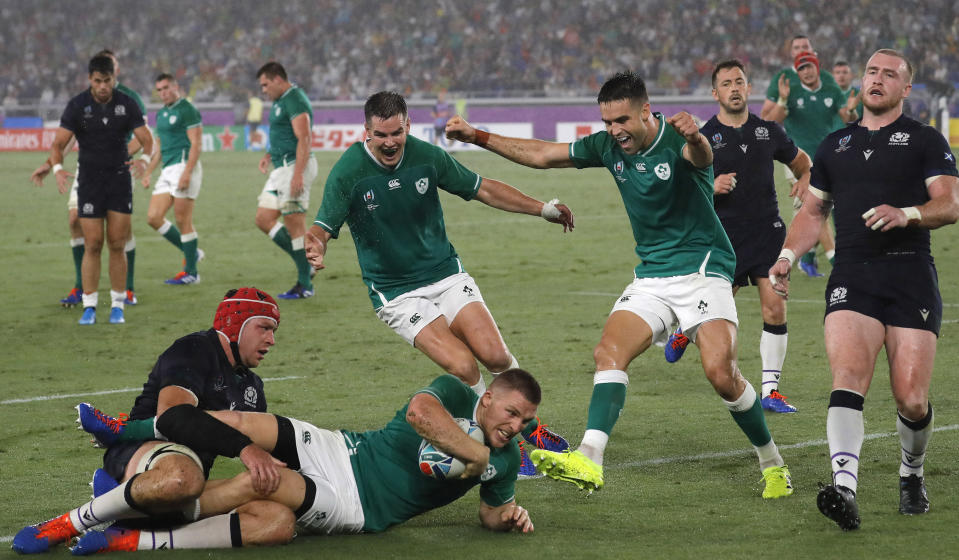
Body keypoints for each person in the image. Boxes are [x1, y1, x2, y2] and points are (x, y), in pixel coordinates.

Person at [445, 71, 793, 498]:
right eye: (608, 122)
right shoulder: (607, 146)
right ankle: (590, 457)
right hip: (652, 275)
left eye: (623, 121)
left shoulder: (678, 139)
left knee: (721, 373)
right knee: (608, 352)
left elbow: (701, 159)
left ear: (646, 111)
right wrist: (476, 135)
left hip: (703, 269)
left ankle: (772, 462)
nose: (615, 131)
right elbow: (541, 155)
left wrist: (699, 139)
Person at [304, 91, 573, 471]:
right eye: (380, 135)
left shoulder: (427, 157)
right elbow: (322, 226)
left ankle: (532, 430)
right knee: (464, 366)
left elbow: (482, 187)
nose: (389, 142)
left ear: (408, 126)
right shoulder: (349, 171)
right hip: (396, 293)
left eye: (396, 133)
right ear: (366, 132)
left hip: (445, 274)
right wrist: (314, 244)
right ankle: (501, 447)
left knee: (496, 355)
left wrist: (542, 208)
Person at [769, 49, 959, 530]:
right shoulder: (836, 145)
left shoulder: (925, 140)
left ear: (905, 89)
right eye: (871, 71)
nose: (877, 79)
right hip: (853, 273)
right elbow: (812, 213)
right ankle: (844, 489)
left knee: (911, 399)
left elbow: (950, 203)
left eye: (889, 75)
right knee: (848, 377)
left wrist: (907, 213)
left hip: (910, 271)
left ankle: (911, 473)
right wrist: (787, 258)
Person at [68, 370, 539, 553]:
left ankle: (128, 526)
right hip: (341, 448)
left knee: (265, 486)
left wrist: (508, 517)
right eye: (511, 412)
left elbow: (490, 513)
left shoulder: (509, 456)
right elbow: (420, 414)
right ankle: (125, 429)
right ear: (490, 397)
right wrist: (474, 451)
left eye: (525, 421)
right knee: (244, 421)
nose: (515, 426)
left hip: (355, 505)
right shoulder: (455, 390)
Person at [12, 288, 291, 554]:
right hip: (145, 451)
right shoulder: (195, 348)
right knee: (183, 477)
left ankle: (134, 534)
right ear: (234, 324)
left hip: (187, 490)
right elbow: (173, 415)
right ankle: (67, 523)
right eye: (264, 328)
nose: (272, 340)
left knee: (278, 521)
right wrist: (243, 447)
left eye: (274, 331)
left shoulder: (252, 387)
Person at [665, 60, 812, 414]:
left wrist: (806, 177)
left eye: (740, 82)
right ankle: (686, 327)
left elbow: (801, 162)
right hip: (724, 238)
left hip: (767, 233)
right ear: (715, 93)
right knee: (716, 309)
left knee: (774, 308)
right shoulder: (702, 137)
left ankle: (771, 391)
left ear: (749, 88)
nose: (734, 88)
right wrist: (711, 187)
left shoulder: (769, 131)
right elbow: (678, 192)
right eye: (726, 83)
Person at [31, 49, 147, 307]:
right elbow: (68, 139)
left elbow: (143, 138)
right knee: (76, 220)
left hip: (119, 169)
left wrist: (116, 158)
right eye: (99, 78)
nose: (105, 81)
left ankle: (126, 290)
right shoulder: (81, 104)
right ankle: (81, 287)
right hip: (89, 171)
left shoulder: (130, 99)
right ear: (92, 77)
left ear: (115, 71)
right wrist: (51, 165)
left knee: (121, 234)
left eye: (111, 71)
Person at [761, 38, 855, 278]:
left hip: (827, 156)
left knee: (806, 212)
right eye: (800, 64)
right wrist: (782, 100)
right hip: (797, 160)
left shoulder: (830, 85)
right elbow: (770, 119)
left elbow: (846, 116)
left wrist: (852, 111)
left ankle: (805, 257)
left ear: (815, 60)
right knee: (816, 204)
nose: (805, 69)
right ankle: (836, 260)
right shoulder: (785, 83)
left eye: (808, 62)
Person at [254, 62, 318, 300]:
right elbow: (282, 134)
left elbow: (304, 137)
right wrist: (269, 155)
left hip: (294, 166)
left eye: (265, 84)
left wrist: (298, 174)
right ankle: (305, 265)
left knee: (294, 224)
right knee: (263, 219)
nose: (263, 90)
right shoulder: (280, 101)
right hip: (280, 167)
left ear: (278, 79)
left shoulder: (295, 99)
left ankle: (305, 285)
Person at [142, 73, 204, 285]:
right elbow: (159, 149)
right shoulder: (160, 114)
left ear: (176, 87)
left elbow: (196, 144)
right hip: (167, 170)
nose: (163, 93)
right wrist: (149, 171)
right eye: (159, 89)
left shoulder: (187, 109)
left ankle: (191, 273)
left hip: (184, 166)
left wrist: (187, 172)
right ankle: (192, 252)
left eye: (166, 87)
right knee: (153, 217)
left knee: (182, 220)